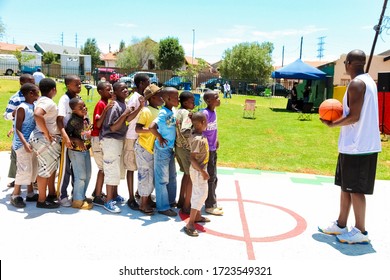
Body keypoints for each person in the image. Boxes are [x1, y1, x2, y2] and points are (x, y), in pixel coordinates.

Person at [318, 49, 382, 244]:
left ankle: (361, 232)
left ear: (349, 64)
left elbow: (354, 116)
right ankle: (341, 224)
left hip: (359, 146)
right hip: (353, 145)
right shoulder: (368, 81)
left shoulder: (357, 83)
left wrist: (332, 123)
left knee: (356, 189)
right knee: (346, 187)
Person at [100, 82, 144, 213]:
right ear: (115, 92)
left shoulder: (123, 104)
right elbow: (113, 127)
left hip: (118, 140)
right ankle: (108, 201)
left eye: (126, 88)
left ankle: (114, 195)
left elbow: (127, 119)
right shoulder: (115, 106)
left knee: (117, 169)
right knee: (111, 169)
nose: (125, 90)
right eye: (121, 89)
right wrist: (125, 114)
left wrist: (139, 108)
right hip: (110, 140)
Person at [30, 78, 62, 208]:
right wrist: (47, 133)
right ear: (54, 90)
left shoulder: (41, 100)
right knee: (44, 170)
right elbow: (37, 115)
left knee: (49, 168)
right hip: (44, 140)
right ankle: (41, 200)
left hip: (42, 139)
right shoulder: (48, 102)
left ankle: (51, 194)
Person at [149, 87, 179, 217]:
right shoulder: (163, 113)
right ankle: (162, 206)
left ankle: (171, 201)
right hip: (162, 150)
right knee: (162, 178)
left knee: (172, 176)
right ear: (167, 99)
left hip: (170, 149)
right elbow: (151, 127)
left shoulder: (171, 111)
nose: (178, 99)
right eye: (176, 97)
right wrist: (159, 137)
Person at [134, 84, 164, 215]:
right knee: (145, 174)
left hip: (152, 149)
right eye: (159, 95)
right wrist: (153, 131)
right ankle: (143, 203)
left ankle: (148, 198)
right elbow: (138, 129)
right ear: (152, 98)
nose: (162, 97)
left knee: (151, 175)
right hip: (144, 147)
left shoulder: (159, 110)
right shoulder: (146, 111)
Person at [9, 83, 40, 208]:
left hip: (31, 142)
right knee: (24, 169)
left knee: (32, 167)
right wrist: (25, 143)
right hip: (22, 144)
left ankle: (30, 192)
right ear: (30, 93)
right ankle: (15, 195)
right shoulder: (22, 107)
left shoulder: (34, 105)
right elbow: (18, 128)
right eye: (37, 92)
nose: (38, 94)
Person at [3, 74, 35, 189]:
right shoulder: (15, 98)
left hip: (31, 133)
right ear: (22, 83)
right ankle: (16, 180)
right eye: (30, 82)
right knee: (16, 159)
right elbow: (5, 116)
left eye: (34, 81)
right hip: (20, 134)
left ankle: (30, 183)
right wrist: (13, 114)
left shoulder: (34, 97)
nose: (33, 84)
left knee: (30, 161)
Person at [124, 73, 151, 210]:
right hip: (132, 137)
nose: (149, 83)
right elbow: (128, 119)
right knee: (131, 168)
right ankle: (130, 198)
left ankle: (140, 193)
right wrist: (140, 107)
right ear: (141, 83)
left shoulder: (144, 98)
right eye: (147, 81)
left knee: (141, 167)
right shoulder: (135, 98)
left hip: (141, 138)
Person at [183, 112, 211, 237]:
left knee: (201, 193)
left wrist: (192, 118)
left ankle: (198, 215)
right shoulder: (197, 139)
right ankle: (190, 223)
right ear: (201, 123)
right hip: (198, 170)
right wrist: (203, 171)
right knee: (199, 195)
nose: (207, 123)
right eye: (205, 121)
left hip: (199, 169)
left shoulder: (195, 133)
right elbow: (192, 158)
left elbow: (190, 128)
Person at [56, 75, 82, 207]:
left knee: (76, 168)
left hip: (78, 139)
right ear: (68, 85)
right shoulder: (64, 100)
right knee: (65, 168)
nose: (79, 86)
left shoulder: (78, 98)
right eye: (76, 84)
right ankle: (62, 195)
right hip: (68, 138)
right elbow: (59, 120)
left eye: (80, 83)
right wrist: (65, 137)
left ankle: (76, 194)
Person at [65, 98, 93, 210]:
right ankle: (77, 200)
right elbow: (66, 136)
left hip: (85, 150)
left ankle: (82, 196)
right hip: (76, 152)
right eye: (80, 108)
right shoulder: (73, 121)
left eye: (84, 106)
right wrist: (77, 140)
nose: (84, 108)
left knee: (88, 174)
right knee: (80, 176)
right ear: (74, 110)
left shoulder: (85, 118)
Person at [90, 81, 114, 206]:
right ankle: (97, 196)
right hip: (96, 138)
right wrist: (105, 110)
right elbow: (97, 124)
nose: (110, 92)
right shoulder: (101, 104)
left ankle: (97, 191)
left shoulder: (105, 103)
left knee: (103, 168)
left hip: (100, 138)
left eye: (111, 89)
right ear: (100, 91)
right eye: (107, 90)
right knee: (102, 169)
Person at [202, 90, 223, 216]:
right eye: (216, 97)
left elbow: (213, 128)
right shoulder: (205, 113)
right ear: (209, 101)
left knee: (214, 177)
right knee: (210, 177)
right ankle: (209, 206)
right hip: (207, 150)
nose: (219, 99)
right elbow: (199, 130)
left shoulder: (213, 111)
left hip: (213, 148)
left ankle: (213, 201)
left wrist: (217, 139)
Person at [175, 91, 195, 215]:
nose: (194, 103)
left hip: (178, 147)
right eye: (192, 101)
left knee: (186, 175)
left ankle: (181, 200)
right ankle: (187, 205)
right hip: (186, 148)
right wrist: (196, 131)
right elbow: (185, 130)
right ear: (185, 102)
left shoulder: (177, 112)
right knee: (191, 176)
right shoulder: (186, 113)